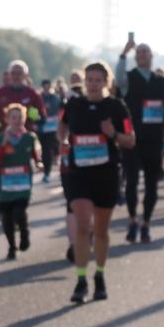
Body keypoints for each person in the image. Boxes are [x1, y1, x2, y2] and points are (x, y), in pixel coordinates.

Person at [58, 61, 136, 303]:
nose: (92, 84)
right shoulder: (74, 103)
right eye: (89, 79)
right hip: (78, 173)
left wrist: (113, 134)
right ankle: (81, 280)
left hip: (106, 173)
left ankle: (99, 276)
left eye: (97, 80)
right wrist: (63, 141)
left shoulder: (116, 107)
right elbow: (61, 125)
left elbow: (130, 140)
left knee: (101, 231)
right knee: (83, 226)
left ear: (106, 82)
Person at [115, 37, 164, 243]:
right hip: (131, 139)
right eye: (139, 52)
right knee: (131, 183)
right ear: (135, 57)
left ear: (152, 57)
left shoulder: (161, 81)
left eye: (146, 52)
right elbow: (118, 78)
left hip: (154, 139)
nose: (142, 55)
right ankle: (132, 220)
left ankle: (146, 222)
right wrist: (123, 54)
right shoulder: (128, 78)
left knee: (152, 184)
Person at [0, 60, 47, 219]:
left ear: (25, 75)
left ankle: (21, 201)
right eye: (13, 73)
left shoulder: (32, 94)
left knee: (23, 170)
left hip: (24, 140)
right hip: (4, 138)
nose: (15, 76)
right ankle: (1, 204)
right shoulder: (0, 93)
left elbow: (42, 117)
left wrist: (36, 116)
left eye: (19, 73)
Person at [0, 104, 40, 259]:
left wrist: (39, 163)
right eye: (13, 117)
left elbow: (36, 156)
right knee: (7, 216)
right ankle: (12, 247)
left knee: (19, 211)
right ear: (7, 120)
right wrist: (4, 144)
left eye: (20, 117)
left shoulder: (30, 138)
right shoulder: (1, 138)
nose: (17, 121)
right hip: (6, 185)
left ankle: (24, 232)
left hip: (23, 184)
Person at [38, 79, 63, 182]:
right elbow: (34, 110)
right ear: (43, 87)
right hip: (43, 129)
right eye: (45, 86)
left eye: (48, 86)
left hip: (54, 128)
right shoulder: (39, 98)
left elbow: (61, 109)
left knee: (56, 148)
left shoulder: (55, 98)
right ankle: (46, 172)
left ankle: (59, 169)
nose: (47, 88)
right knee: (45, 150)